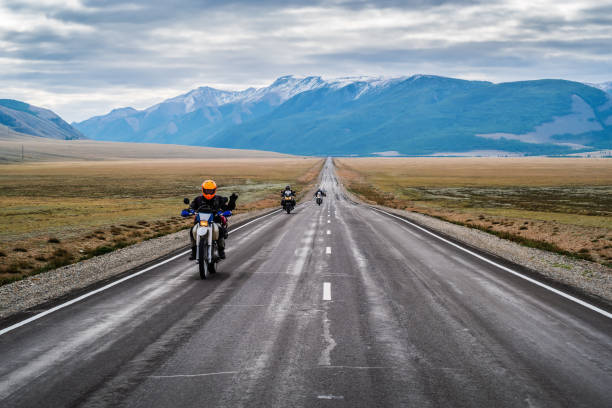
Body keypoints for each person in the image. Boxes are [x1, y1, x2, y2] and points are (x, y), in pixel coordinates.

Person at [189, 179, 238, 260]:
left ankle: (221, 250)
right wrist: (188, 211)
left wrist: (232, 201)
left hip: (215, 220)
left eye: (210, 191)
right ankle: (194, 252)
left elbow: (227, 208)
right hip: (200, 221)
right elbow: (191, 207)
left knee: (220, 230)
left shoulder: (219, 199)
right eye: (207, 190)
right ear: (203, 190)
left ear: (214, 190)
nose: (208, 193)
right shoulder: (198, 199)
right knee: (192, 231)